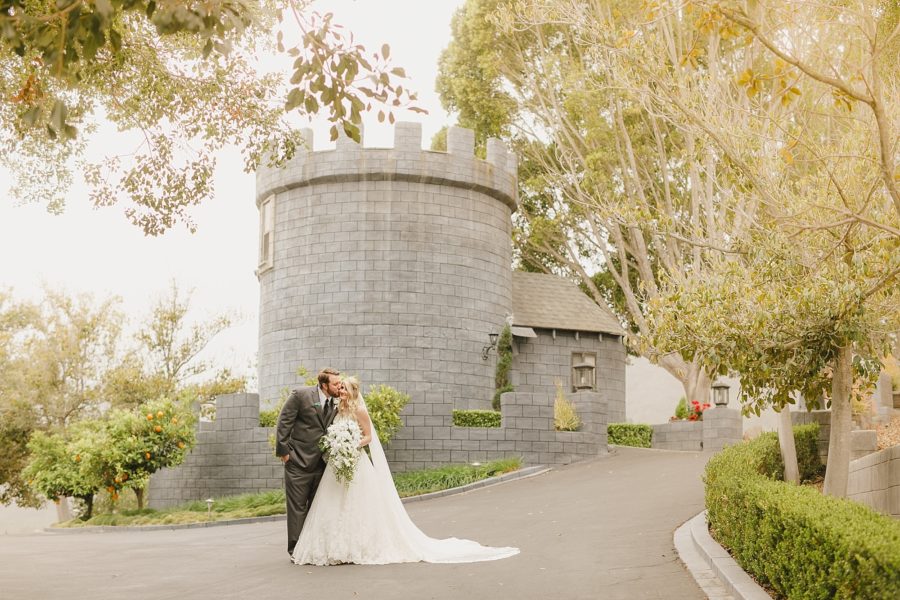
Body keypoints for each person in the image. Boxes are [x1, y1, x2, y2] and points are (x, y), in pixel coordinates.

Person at [291, 376, 519, 566]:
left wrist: (352, 444)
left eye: (343, 388)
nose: (340, 390)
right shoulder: (335, 407)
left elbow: (368, 436)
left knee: (359, 504)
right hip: (338, 464)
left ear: (352, 391)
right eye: (339, 387)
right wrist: (336, 444)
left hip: (356, 460)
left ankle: (358, 546)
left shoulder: (359, 410)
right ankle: (332, 546)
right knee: (332, 502)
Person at [276, 367, 342, 557]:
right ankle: (296, 550)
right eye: (336, 384)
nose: (339, 387)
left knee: (317, 507)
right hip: (298, 461)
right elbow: (284, 422)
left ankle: (314, 548)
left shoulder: (337, 401)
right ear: (324, 385)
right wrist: (285, 453)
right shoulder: (301, 395)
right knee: (297, 508)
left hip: (322, 464)